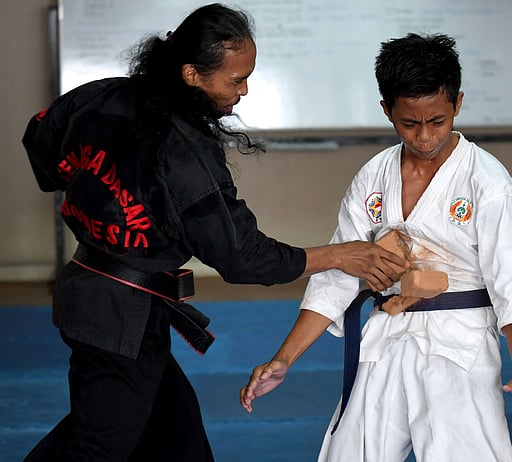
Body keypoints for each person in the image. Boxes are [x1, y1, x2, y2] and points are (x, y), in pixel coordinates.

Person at [20, 4, 408, 461]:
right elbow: (242, 257)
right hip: (116, 317)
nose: (244, 91)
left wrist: (100, 203)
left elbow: (41, 145)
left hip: (95, 295)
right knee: (98, 446)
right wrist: (342, 255)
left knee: (175, 430)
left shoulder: (100, 96)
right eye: (234, 80)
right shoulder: (186, 153)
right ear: (191, 74)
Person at [240, 33, 512, 461]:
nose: (425, 136)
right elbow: (337, 278)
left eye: (438, 121)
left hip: (459, 343)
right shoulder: (373, 177)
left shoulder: (485, 180)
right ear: (387, 110)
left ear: (458, 104)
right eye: (410, 123)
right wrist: (283, 359)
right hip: (385, 335)